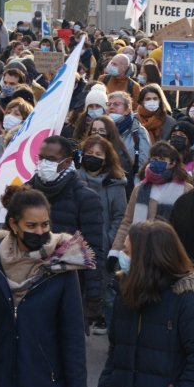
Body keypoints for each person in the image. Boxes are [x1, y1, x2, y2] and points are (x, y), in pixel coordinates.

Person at [0, 185, 90, 387]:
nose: (40, 232)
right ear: (13, 224)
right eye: (31, 225)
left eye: (45, 224)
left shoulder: (62, 267)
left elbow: (73, 339)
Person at [97, 221, 194, 387]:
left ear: (148, 258)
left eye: (128, 251)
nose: (123, 256)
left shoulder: (186, 298)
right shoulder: (125, 292)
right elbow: (115, 349)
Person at [27, 135, 105, 326]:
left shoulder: (85, 198)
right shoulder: (26, 193)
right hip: (27, 286)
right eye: (41, 158)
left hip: (67, 290)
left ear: (67, 162)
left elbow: (93, 249)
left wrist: (93, 298)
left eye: (51, 159)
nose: (44, 163)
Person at [75, 135, 128, 333]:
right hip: (76, 246)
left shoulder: (115, 184)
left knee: (105, 292)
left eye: (98, 154)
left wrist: (107, 238)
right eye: (89, 154)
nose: (93, 157)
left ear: (106, 158)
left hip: (103, 246)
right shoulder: (74, 179)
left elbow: (120, 216)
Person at [107, 91, 151, 176]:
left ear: (127, 110)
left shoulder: (138, 132)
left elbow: (144, 164)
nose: (111, 107)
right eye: (109, 104)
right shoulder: (103, 129)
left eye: (116, 104)